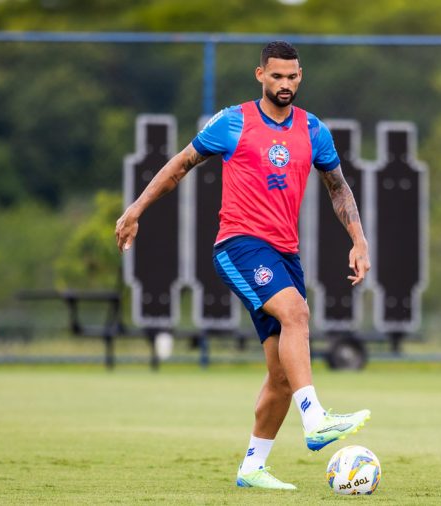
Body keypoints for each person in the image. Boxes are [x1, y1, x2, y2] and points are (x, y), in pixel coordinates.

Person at [115, 41, 371, 491]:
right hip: (239, 245)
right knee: (297, 314)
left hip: (285, 255)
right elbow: (178, 166)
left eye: (292, 77)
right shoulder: (233, 121)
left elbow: (338, 187)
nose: (285, 84)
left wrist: (359, 239)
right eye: (277, 76)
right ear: (260, 75)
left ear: (300, 76)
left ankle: (253, 467)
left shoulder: (313, 130)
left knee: (280, 375)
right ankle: (315, 419)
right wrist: (135, 209)